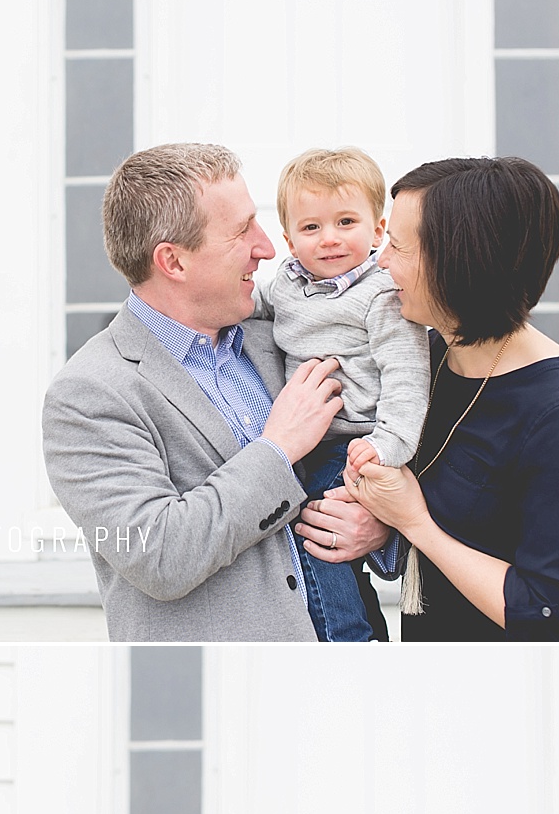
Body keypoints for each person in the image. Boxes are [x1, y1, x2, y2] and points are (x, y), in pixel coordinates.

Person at [298, 155, 559, 639]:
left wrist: (415, 524)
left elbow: (554, 615)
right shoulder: (423, 362)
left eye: (399, 246)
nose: (381, 261)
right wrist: (383, 528)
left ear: (460, 261)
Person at [43, 145, 346, 640]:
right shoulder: (88, 394)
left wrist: (376, 531)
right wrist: (278, 449)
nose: (268, 247)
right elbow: (158, 555)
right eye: (242, 230)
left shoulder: (280, 337)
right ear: (173, 262)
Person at [256, 148, 430, 639]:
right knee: (316, 541)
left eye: (345, 221)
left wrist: (386, 447)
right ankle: (367, 631)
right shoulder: (288, 285)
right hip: (307, 438)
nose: (329, 239)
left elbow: (406, 376)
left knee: (316, 530)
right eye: (311, 229)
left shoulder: (382, 296)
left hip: (357, 440)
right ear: (290, 240)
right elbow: (254, 302)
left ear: (378, 231)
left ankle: (344, 637)